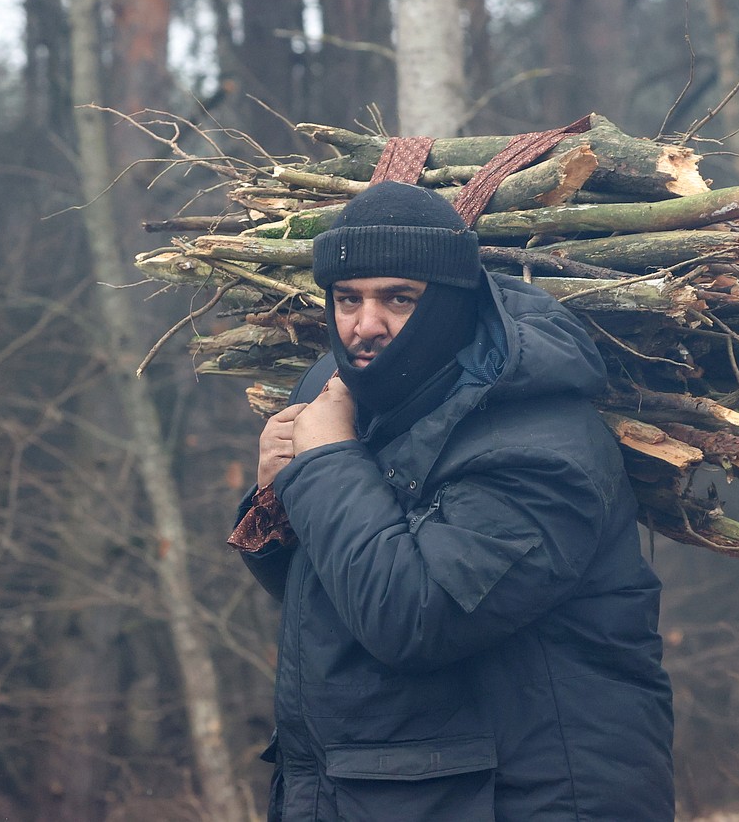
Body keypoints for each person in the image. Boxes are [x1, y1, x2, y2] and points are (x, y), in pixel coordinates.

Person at [229, 180, 674, 821]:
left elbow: (414, 617)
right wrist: (276, 497)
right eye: (347, 299)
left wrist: (325, 464)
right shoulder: (360, 399)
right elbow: (332, 598)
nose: (366, 326)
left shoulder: (542, 447)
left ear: (450, 304)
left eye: (399, 299)